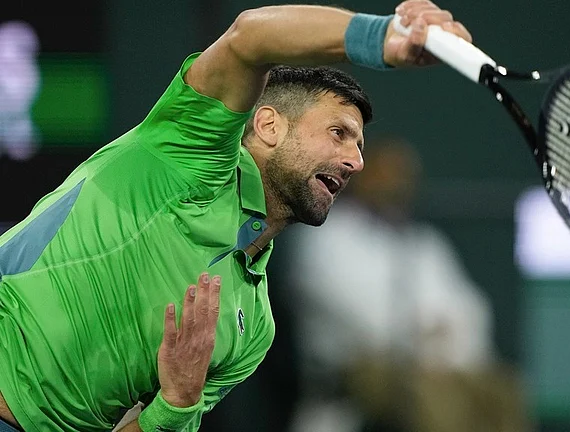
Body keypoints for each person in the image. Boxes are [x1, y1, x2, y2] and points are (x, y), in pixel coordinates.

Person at [0, 2, 473, 431]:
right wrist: (383, 36)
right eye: (338, 133)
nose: (356, 161)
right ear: (268, 125)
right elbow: (250, 38)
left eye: (360, 146)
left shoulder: (254, 331)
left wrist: (177, 403)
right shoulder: (190, 153)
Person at [286, 137, 532, 432]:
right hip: (356, 370)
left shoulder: (423, 241)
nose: (394, 186)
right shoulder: (326, 235)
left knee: (502, 390)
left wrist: (445, 352)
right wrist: (426, 338)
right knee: (433, 396)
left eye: (402, 177)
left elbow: (470, 310)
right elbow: (365, 320)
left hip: (439, 364)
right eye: (384, 175)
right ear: (359, 175)